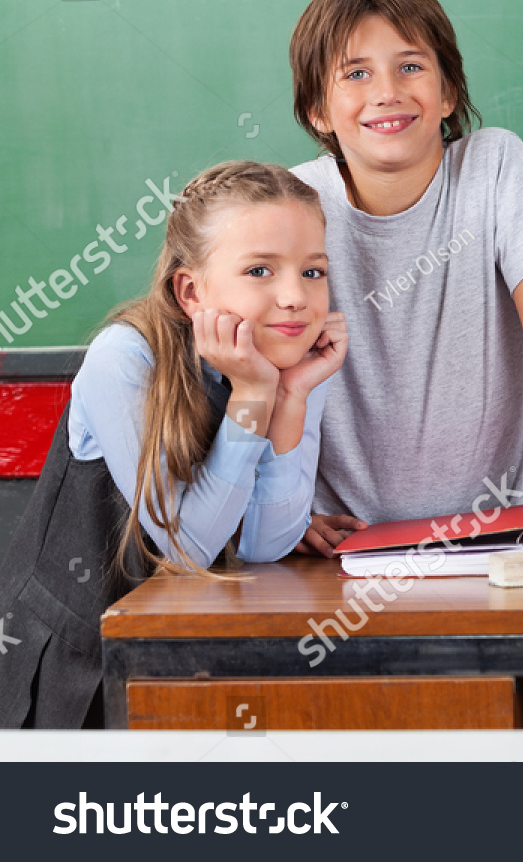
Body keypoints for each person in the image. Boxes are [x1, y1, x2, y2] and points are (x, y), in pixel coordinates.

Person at [285, 0, 523, 567]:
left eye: (411, 66)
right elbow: (256, 371)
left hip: (492, 542)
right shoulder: (294, 206)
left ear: (449, 91)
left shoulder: (496, 168)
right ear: (317, 109)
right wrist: (282, 513)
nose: (387, 91)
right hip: (341, 552)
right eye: (356, 73)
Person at [0, 161, 345, 727]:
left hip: (179, 657)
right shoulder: (125, 359)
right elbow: (188, 550)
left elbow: (265, 547)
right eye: (260, 270)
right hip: (75, 665)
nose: (295, 298)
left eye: (313, 272)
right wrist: (254, 394)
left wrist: (290, 399)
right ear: (191, 291)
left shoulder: (297, 362)